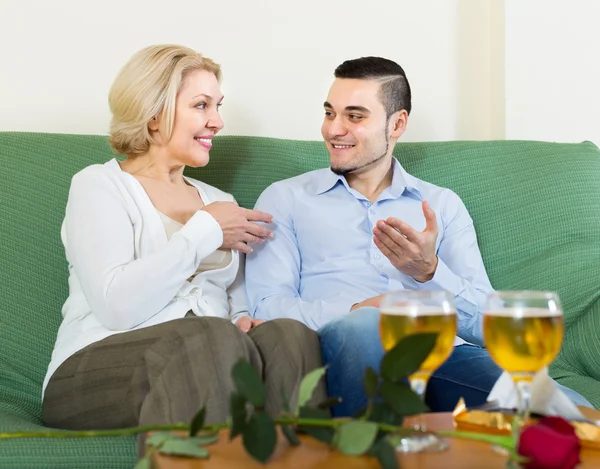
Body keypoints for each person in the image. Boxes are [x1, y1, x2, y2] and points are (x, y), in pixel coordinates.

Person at [245, 56, 592, 416]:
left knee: (571, 414)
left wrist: (430, 271)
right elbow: (267, 306)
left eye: (355, 116)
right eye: (330, 113)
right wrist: (356, 311)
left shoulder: (441, 205)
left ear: (397, 124)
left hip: (442, 354)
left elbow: (490, 324)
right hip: (344, 348)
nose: (333, 129)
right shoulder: (285, 198)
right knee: (365, 326)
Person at [42, 44, 325, 430]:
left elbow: (234, 303)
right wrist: (203, 232)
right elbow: (116, 307)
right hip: (91, 369)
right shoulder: (100, 186)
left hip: (210, 352)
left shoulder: (219, 202)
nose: (218, 122)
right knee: (208, 338)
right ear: (155, 114)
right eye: (201, 105)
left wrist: (243, 321)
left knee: (289, 337)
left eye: (218, 106)